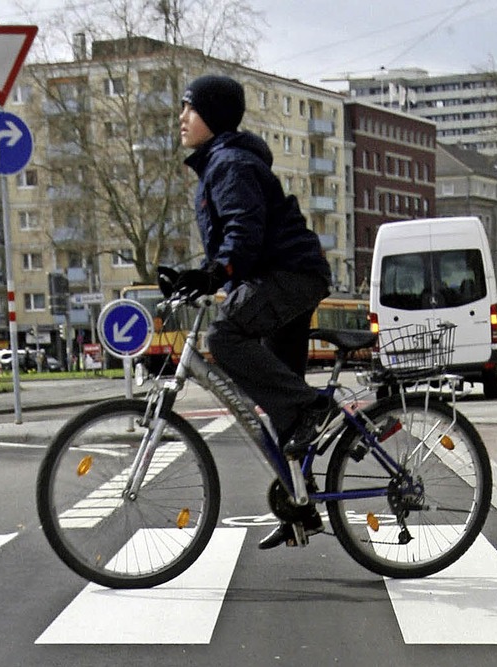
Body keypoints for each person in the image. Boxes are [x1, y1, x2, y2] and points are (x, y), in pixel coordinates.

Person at [176, 74, 333, 550]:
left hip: (289, 275)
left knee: (223, 340)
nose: (181, 119)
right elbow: (232, 243)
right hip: (286, 276)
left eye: (190, 109)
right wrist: (201, 276)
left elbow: (244, 234)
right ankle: (300, 507)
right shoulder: (223, 164)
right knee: (276, 411)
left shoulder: (229, 165)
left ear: (214, 117)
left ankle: (315, 408)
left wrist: (214, 274)